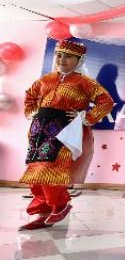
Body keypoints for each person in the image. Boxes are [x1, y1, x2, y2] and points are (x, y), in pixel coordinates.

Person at [19, 40, 113, 230]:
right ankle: (42, 213)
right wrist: (32, 111)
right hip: (39, 132)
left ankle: (60, 204)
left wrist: (86, 116)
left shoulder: (84, 82)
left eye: (68, 56)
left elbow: (106, 102)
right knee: (35, 173)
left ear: (79, 60)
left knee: (50, 170)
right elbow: (29, 96)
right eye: (59, 55)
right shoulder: (46, 79)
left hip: (64, 132)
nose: (62, 60)